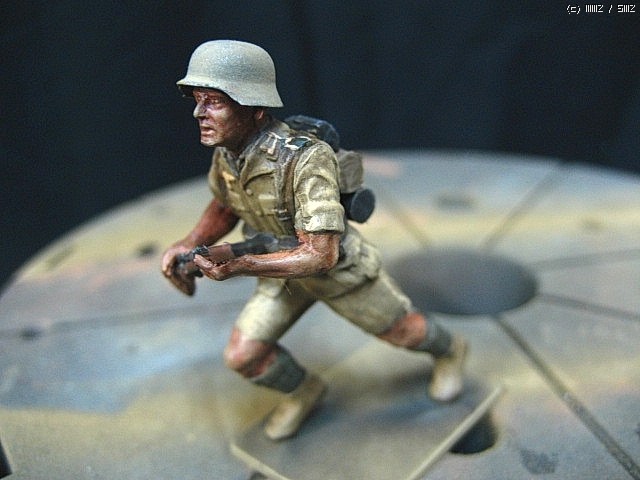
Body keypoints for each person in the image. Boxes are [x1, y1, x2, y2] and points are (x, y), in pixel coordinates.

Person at [162, 40, 467, 441]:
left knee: (403, 332)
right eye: (198, 100)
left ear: (254, 107)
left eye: (214, 102)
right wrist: (189, 242)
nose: (199, 113)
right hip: (278, 271)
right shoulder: (228, 153)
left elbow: (321, 254)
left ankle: (451, 350)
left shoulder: (305, 158)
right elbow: (225, 205)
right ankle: (303, 391)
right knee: (243, 356)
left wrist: (240, 265)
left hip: (335, 272)